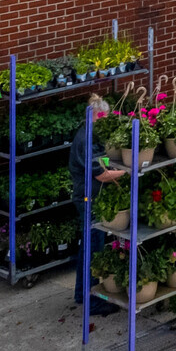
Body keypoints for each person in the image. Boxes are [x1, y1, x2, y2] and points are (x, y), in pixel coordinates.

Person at [71, 96, 126, 316]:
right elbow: (101, 175)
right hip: (88, 199)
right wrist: (128, 172)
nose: (106, 121)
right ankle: (91, 302)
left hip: (92, 197)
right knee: (93, 249)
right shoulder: (85, 140)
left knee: (89, 247)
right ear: (96, 115)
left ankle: (81, 294)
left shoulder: (92, 136)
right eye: (104, 117)